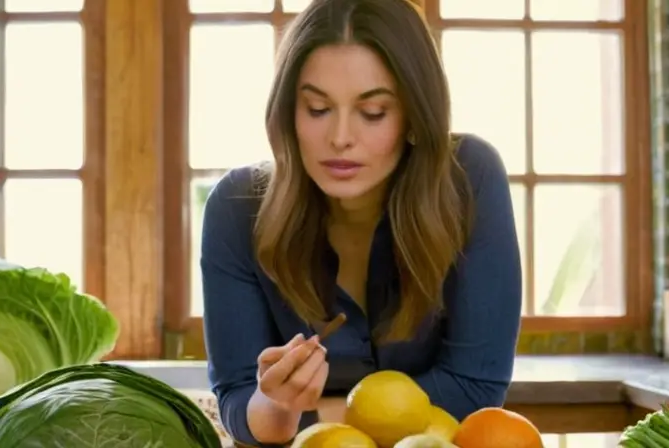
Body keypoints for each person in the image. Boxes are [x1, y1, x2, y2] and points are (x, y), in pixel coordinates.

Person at [200, 0, 523, 445]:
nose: (340, 138)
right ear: (288, 116)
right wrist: (276, 405)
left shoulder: (471, 178)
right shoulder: (235, 209)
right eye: (317, 108)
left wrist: (307, 415)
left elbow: (474, 388)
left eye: (373, 113)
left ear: (414, 116)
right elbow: (238, 398)